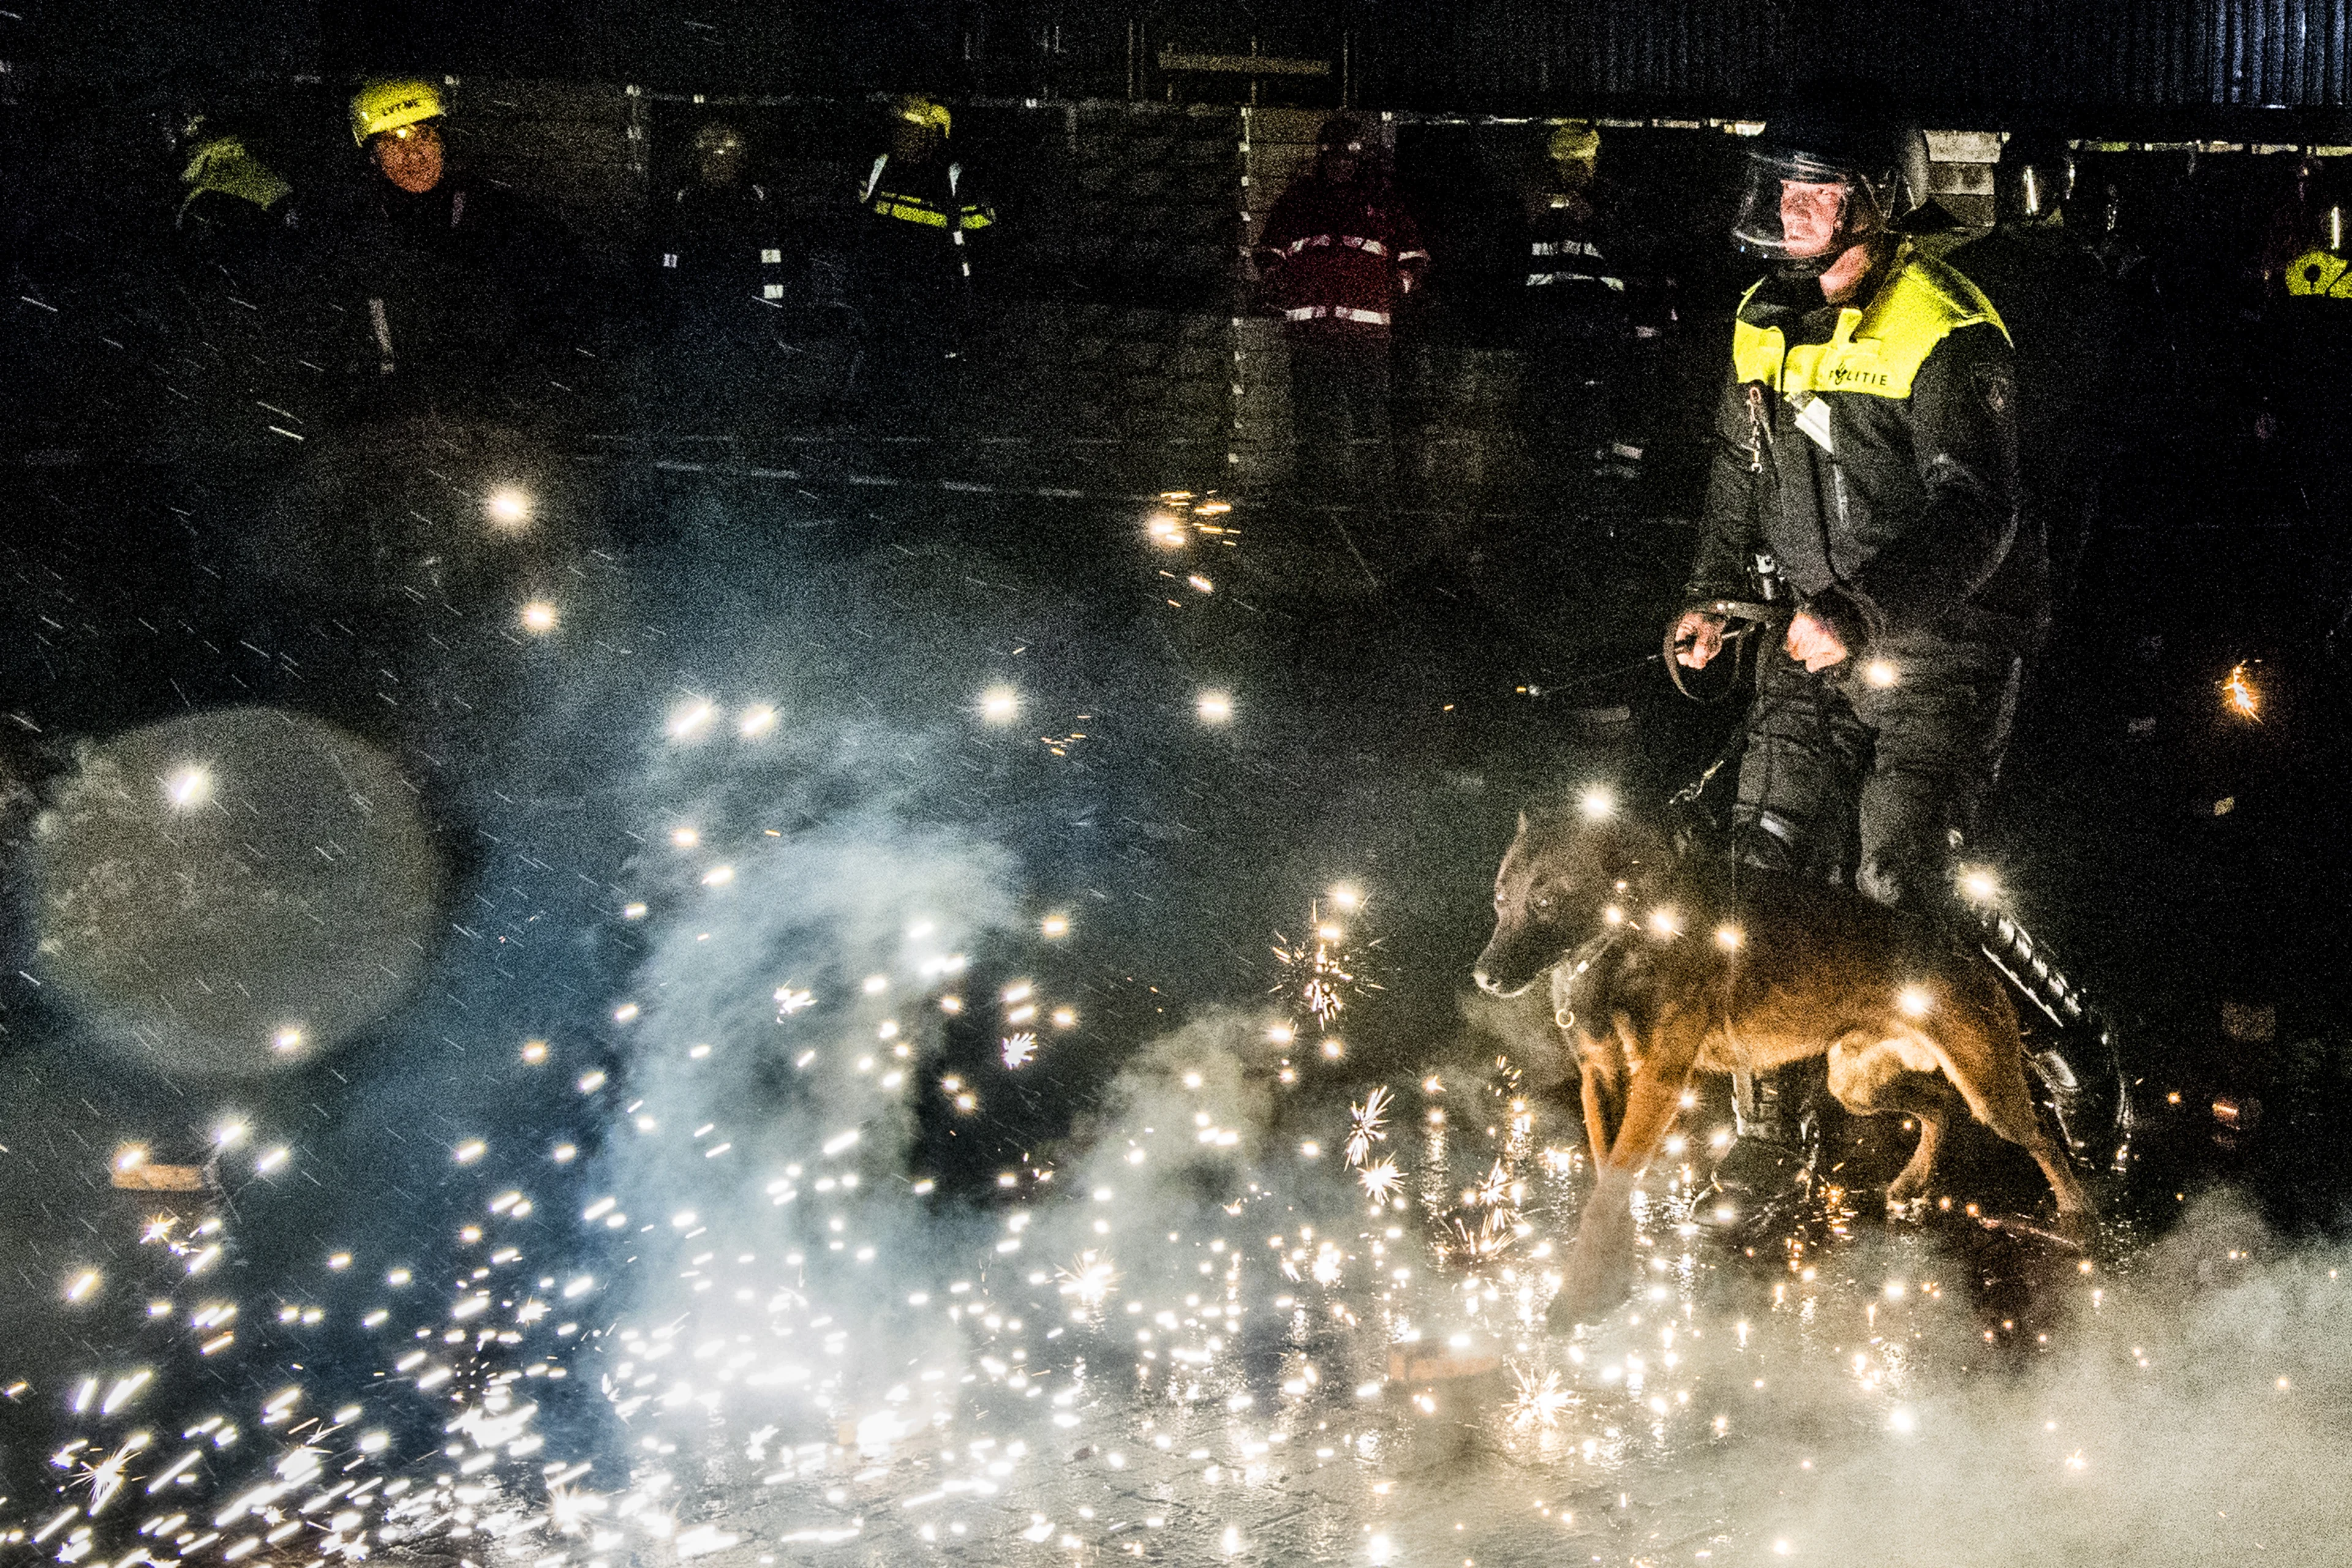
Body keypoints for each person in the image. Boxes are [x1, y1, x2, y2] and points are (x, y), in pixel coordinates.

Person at [1670, 93, 2044, 1170]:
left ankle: (2039, 1064)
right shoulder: (1761, 316)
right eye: (1780, 188)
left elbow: (1980, 512)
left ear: (1878, 202)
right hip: (1806, 646)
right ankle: (1768, 1134)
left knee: (1897, 881)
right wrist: (1710, 596)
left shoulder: (1946, 327)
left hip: (1940, 651)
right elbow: (1738, 472)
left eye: (1817, 192)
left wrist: (1862, 611)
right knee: (1755, 871)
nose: (1789, 211)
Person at [328, 77, 584, 417]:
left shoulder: (500, 217)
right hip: (391, 418)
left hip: (489, 415)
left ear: (442, 141)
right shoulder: (351, 234)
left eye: (423, 136)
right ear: (373, 156)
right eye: (392, 141)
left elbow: (559, 310)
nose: (413, 154)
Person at [1949, 134, 2120, 608]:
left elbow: (2097, 369)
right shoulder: (1972, 268)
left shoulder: (2082, 274)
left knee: (2044, 573)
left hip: (2047, 449)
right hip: (2003, 446)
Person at [1255, 116, 1429, 543]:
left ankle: (1375, 505)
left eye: (1348, 156)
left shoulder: (1383, 202)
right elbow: (1269, 251)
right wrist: (1276, 279)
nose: (1340, 164)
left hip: (1367, 336)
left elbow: (1414, 258)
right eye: (1333, 156)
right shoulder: (1298, 201)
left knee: (1369, 417)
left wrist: (1398, 289)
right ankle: (1315, 501)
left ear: (1360, 158)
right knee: (1313, 417)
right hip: (1312, 333)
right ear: (1322, 157)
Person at [849, 94, 992, 440]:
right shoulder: (880, 167)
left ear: (934, 138)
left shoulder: (955, 179)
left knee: (927, 372)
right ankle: (880, 430)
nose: (902, 139)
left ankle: (928, 438)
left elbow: (981, 241)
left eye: (912, 132)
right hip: (882, 293)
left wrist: (967, 299)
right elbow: (857, 224)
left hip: (933, 296)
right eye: (899, 130)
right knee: (881, 364)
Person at [1518, 122, 1643, 501]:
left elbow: (1633, 258)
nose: (1570, 173)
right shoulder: (1542, 200)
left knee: (1601, 405)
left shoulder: (1615, 200)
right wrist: (1529, 221)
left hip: (1599, 324)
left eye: (1578, 163)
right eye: (1563, 164)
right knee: (1551, 408)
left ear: (1593, 161)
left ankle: (1610, 492)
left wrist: (1594, 220)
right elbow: (1519, 266)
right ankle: (1554, 487)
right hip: (1550, 325)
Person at [645, 120, 793, 431]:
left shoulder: (755, 198)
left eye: (726, 158)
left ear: (739, 162)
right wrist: (668, 296)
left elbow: (771, 254)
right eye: (710, 158)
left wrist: (773, 303)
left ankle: (737, 423)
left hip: (744, 303)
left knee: (741, 376)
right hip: (696, 303)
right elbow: (671, 252)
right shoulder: (685, 198)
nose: (718, 165)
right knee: (694, 369)